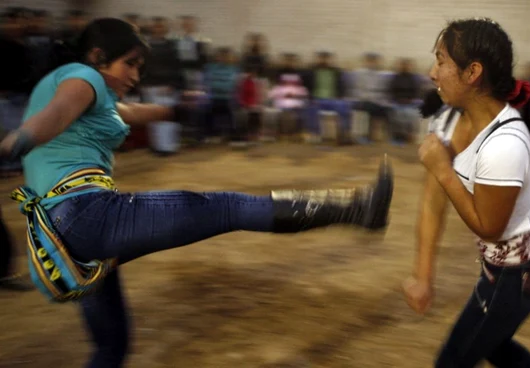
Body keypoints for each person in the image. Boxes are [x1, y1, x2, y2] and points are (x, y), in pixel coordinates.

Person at [0, 18, 394, 367]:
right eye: (130, 63)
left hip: (65, 237)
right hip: (88, 216)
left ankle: (359, 210)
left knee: (111, 347)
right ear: (99, 55)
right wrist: (14, 144)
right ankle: (358, 209)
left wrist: (180, 110)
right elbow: (53, 118)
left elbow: (129, 113)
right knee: (228, 207)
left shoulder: (94, 96)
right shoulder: (80, 76)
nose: (136, 74)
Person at [401, 18, 530, 367]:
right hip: (500, 265)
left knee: (454, 360)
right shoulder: (447, 121)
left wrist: (443, 169)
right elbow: (432, 202)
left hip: (523, 271)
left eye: (441, 61)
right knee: (493, 345)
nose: (431, 72)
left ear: (472, 72)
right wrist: (423, 277)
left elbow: (490, 228)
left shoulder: (505, 143)